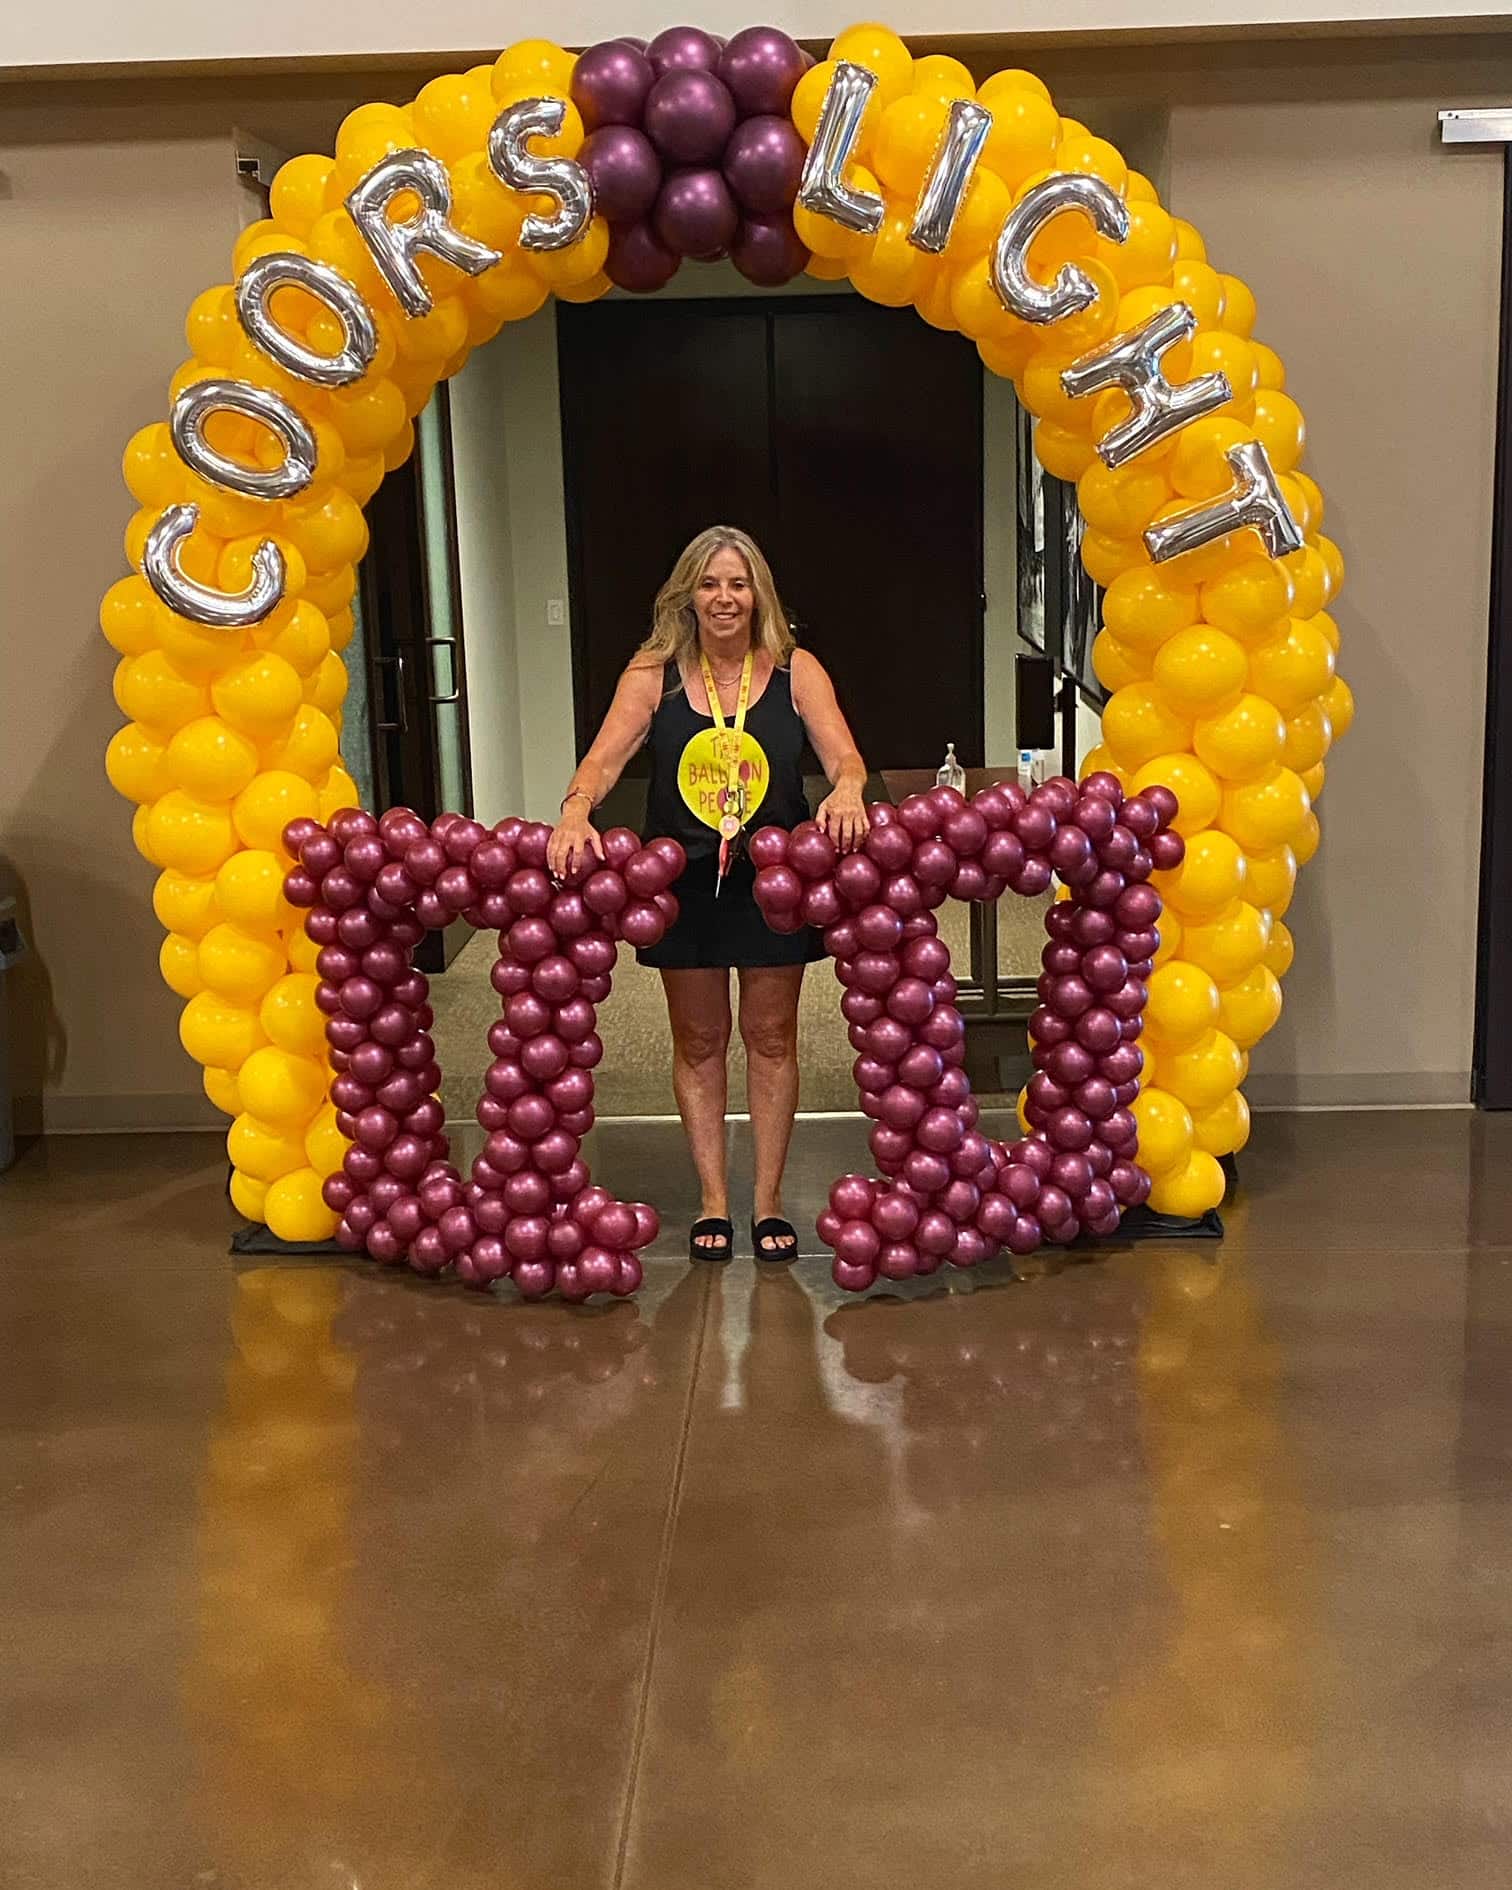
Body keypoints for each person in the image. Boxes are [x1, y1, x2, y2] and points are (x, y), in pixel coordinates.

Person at [548, 526, 869, 1265]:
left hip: (773, 881)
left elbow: (844, 756)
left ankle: (767, 1202)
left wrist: (849, 787)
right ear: (687, 596)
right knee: (698, 1041)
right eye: (710, 583)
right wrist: (575, 808)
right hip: (682, 882)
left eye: (738, 584)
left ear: (759, 595)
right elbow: (603, 760)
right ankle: (714, 1202)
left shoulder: (795, 670)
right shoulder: (652, 675)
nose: (725, 598)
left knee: (771, 1038)